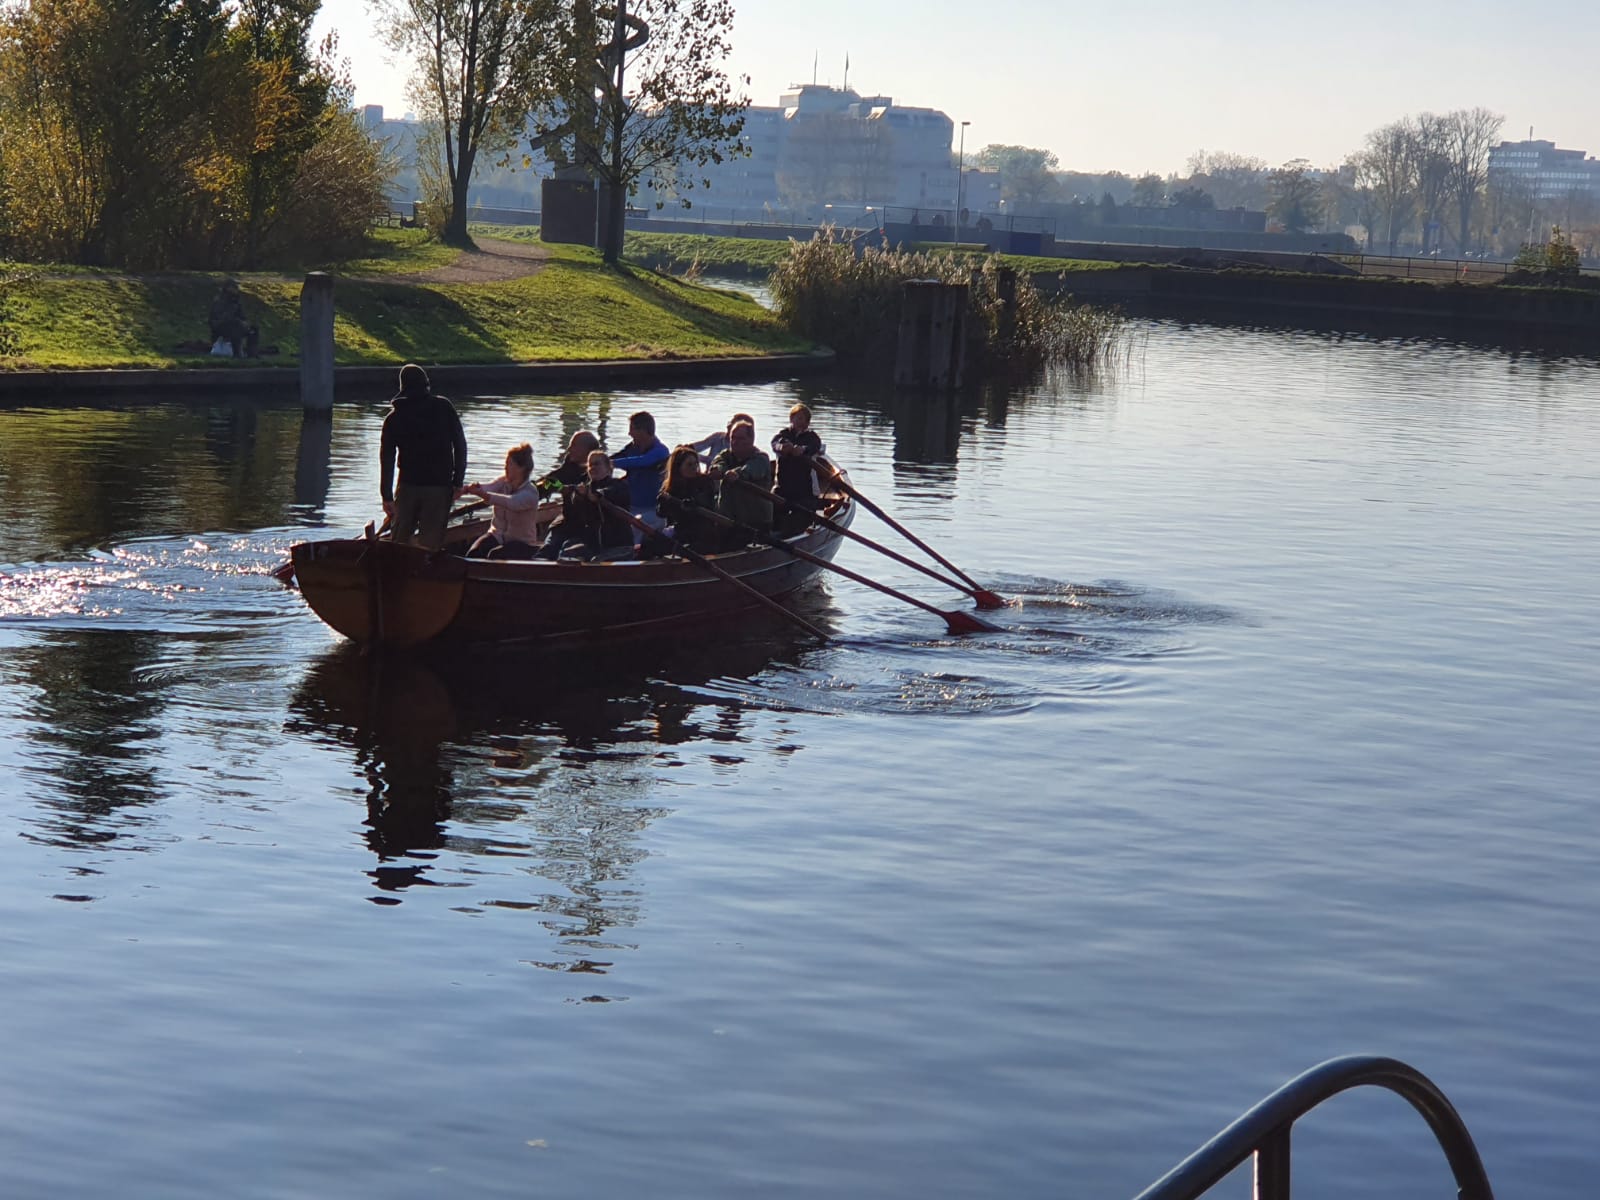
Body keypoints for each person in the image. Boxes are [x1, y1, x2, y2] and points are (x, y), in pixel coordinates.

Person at [379, 363, 468, 551]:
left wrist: (386, 496)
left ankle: (397, 568)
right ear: (426, 385)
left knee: (399, 544)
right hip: (439, 487)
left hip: (407, 487)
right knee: (430, 546)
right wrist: (458, 481)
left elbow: (387, 460)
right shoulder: (444, 408)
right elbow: (460, 445)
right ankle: (425, 568)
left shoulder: (394, 418)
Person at [461, 443, 541, 560]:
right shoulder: (503, 481)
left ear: (521, 468)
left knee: (495, 555)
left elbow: (512, 502)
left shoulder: (531, 493)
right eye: (505, 464)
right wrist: (467, 489)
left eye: (509, 464)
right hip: (496, 536)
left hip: (522, 543)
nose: (505, 467)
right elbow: (488, 487)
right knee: (473, 553)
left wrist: (484, 495)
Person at [533, 430, 599, 560]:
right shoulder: (569, 468)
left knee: (570, 552)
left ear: (586, 450)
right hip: (566, 523)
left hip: (589, 528)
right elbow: (551, 482)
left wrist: (567, 489)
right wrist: (531, 489)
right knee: (548, 550)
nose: (569, 449)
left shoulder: (599, 472)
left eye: (573, 445)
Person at [709, 419, 773, 547]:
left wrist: (737, 474)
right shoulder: (725, 455)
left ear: (751, 440)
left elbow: (752, 470)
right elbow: (718, 464)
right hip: (728, 520)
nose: (735, 442)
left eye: (740, 438)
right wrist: (718, 470)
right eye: (733, 438)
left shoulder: (761, 458)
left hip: (755, 523)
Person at [560, 451, 634, 561]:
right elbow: (571, 519)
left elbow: (609, 492)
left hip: (619, 547)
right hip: (594, 546)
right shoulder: (584, 490)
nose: (593, 468)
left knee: (596, 561)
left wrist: (598, 495)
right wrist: (571, 498)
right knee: (567, 550)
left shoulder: (619, 486)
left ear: (608, 468)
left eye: (597, 464)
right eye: (590, 465)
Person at [610, 410, 669, 539]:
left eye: (632, 429)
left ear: (643, 431)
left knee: (636, 525)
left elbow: (643, 461)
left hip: (654, 511)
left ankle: (633, 550)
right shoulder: (631, 448)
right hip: (631, 507)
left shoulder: (661, 452)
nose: (629, 433)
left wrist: (611, 464)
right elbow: (611, 460)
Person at [770, 402, 825, 535]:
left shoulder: (812, 437)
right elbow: (775, 444)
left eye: (805, 420)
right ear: (791, 419)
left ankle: (798, 532)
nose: (801, 422)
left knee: (802, 517)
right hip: (782, 487)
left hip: (804, 489)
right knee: (772, 509)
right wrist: (782, 448)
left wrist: (802, 450)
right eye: (798, 418)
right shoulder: (783, 435)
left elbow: (814, 447)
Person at [655, 444, 720, 554]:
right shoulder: (671, 486)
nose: (694, 468)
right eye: (689, 465)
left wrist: (694, 503)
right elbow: (661, 513)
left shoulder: (704, 481)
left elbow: (708, 503)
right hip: (680, 530)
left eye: (696, 464)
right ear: (678, 467)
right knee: (651, 545)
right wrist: (663, 502)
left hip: (703, 532)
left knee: (689, 548)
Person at [208, 280, 259, 358]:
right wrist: (239, 322)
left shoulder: (236, 301)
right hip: (220, 327)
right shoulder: (220, 300)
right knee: (235, 327)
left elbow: (242, 315)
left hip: (236, 324)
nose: (236, 289)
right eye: (234, 287)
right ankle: (237, 354)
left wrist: (245, 322)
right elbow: (221, 318)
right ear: (227, 288)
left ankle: (252, 354)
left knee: (253, 329)